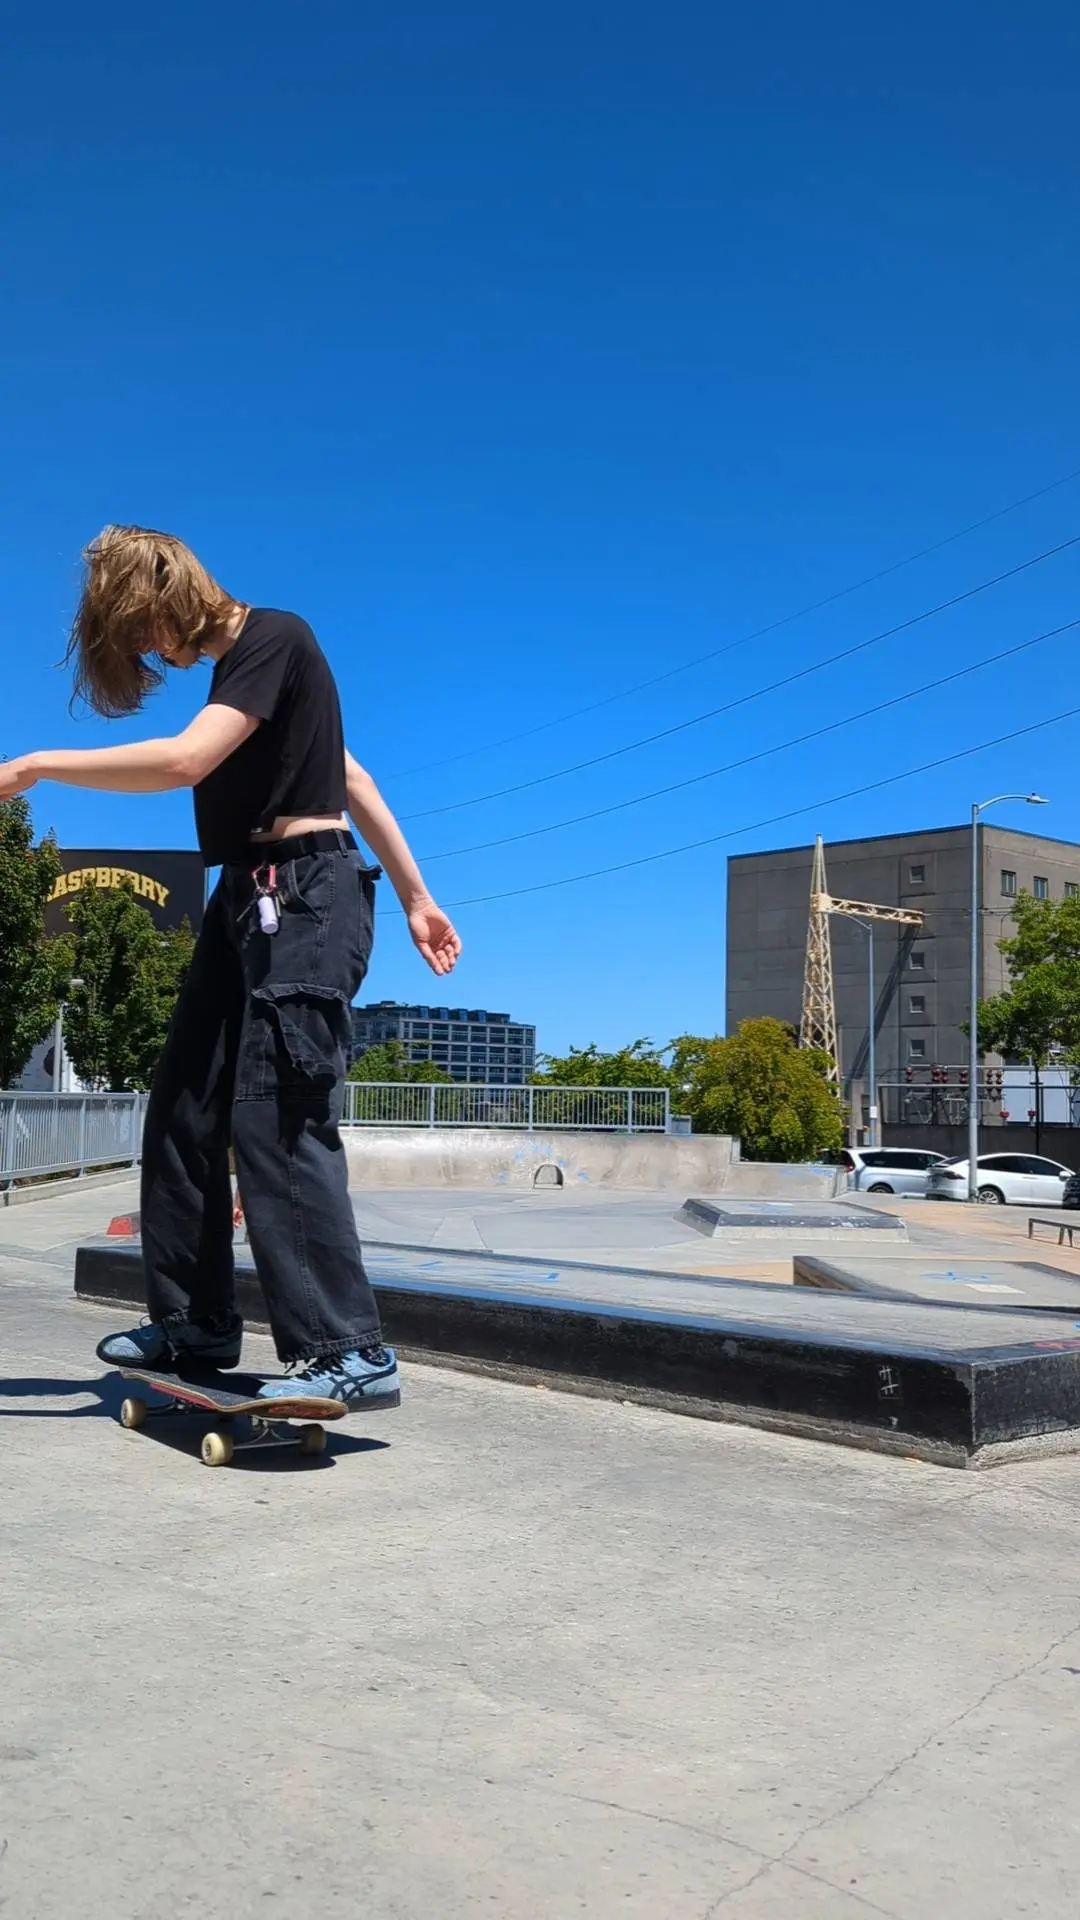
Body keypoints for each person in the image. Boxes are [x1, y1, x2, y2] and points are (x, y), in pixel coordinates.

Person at [0, 526, 462, 1407]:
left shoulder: (276, 636)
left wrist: (35, 766)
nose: (152, 654)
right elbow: (352, 772)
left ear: (166, 595)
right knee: (182, 1104)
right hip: (241, 900)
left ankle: (349, 1347)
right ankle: (194, 1322)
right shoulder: (238, 675)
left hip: (305, 893)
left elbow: (187, 761)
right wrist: (415, 895)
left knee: (275, 1110)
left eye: (144, 634)